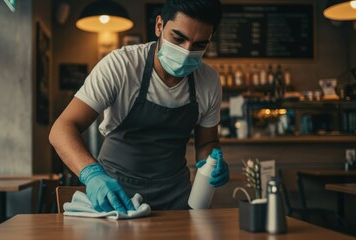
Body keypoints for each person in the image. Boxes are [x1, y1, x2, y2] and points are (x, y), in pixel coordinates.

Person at [49, 0, 229, 213]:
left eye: (199, 45)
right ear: (159, 26)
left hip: (176, 197)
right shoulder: (121, 66)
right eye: (178, 38)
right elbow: (62, 128)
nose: (187, 52)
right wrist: (92, 175)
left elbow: (207, 141)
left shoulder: (208, 81)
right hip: (115, 195)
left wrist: (212, 162)